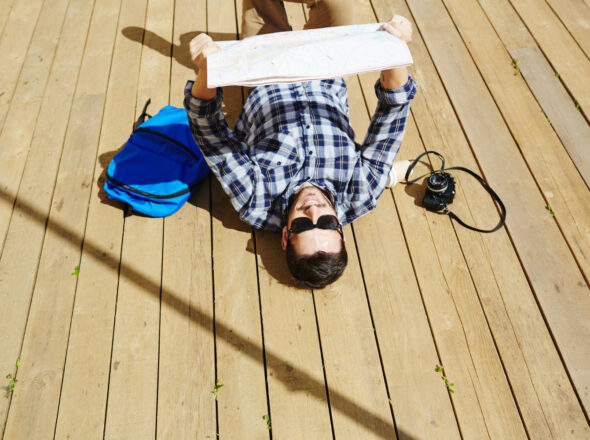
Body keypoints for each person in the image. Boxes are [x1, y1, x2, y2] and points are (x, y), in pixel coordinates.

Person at [184, 0, 417, 288]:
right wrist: (396, 49)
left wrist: (207, 69)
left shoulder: (256, 199)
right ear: (341, 231)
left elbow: (207, 127)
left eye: (303, 225)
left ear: (285, 236)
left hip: (263, 67)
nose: (313, 210)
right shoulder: (362, 190)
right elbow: (394, 108)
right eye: (327, 223)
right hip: (327, 63)